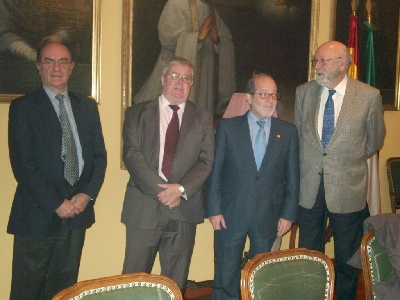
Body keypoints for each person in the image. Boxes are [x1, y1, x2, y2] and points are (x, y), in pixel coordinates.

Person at [7, 40, 107, 300]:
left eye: (63, 61)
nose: (56, 67)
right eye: (49, 61)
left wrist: (86, 195)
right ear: (39, 67)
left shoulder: (87, 106)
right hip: (37, 215)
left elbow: (99, 157)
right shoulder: (23, 107)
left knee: (64, 290)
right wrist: (56, 202)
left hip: (77, 214)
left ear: (72, 67)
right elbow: (23, 165)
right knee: (27, 290)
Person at [294, 40, 386, 300]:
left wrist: (346, 159)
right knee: (309, 256)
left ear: (343, 63)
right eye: (316, 61)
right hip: (310, 189)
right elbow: (301, 137)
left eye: (323, 61)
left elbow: (374, 140)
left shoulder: (368, 96)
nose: (317, 66)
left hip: (347, 189)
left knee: (347, 257)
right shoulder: (304, 92)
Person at [121, 57, 215, 292]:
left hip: (183, 211)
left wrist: (180, 189)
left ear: (191, 84)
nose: (180, 82)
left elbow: (206, 160)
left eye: (186, 78)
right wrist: (161, 191)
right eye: (174, 75)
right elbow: (132, 156)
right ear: (162, 79)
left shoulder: (202, 117)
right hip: (144, 208)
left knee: (174, 284)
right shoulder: (136, 113)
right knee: (134, 280)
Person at [206, 73, 299, 300]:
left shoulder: (287, 132)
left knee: (261, 276)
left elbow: (294, 178)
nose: (270, 99)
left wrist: (288, 214)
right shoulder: (228, 128)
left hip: (269, 215)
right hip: (230, 213)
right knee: (225, 274)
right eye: (264, 94)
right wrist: (214, 209)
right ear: (249, 97)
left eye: (274, 94)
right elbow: (215, 172)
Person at [133, 0, 236, 116]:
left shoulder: (210, 9)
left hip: (203, 78)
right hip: (174, 74)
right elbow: (167, 37)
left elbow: (225, 39)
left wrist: (217, 39)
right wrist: (197, 38)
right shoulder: (175, 4)